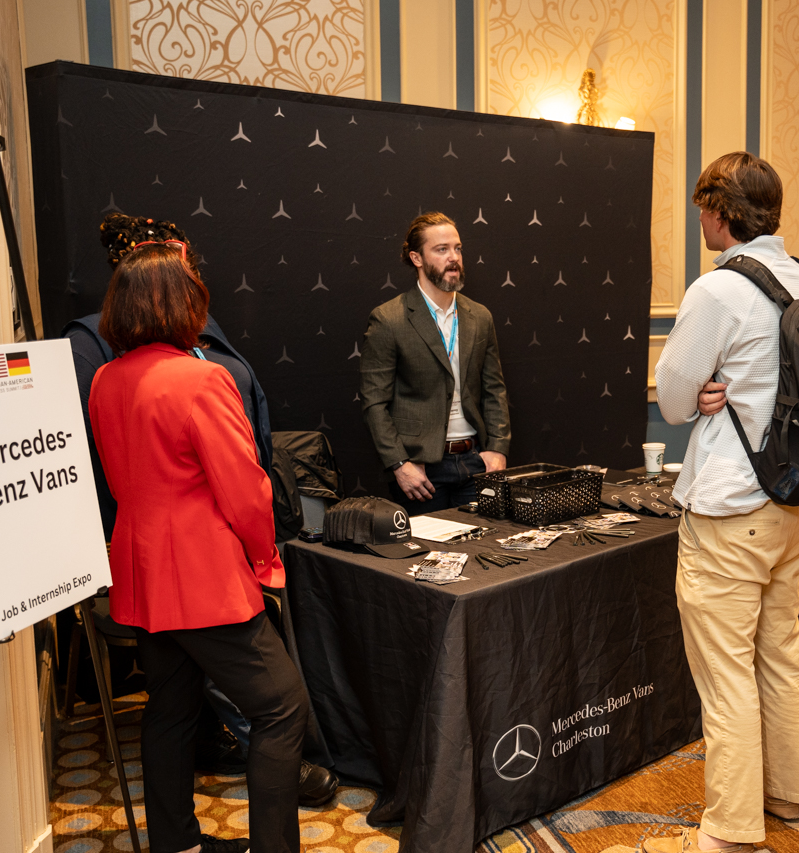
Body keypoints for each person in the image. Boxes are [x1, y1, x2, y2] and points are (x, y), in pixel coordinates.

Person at [65, 214, 338, 806]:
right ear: (181, 300)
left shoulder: (106, 380)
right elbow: (247, 491)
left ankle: (179, 846)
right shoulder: (201, 379)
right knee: (283, 708)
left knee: (169, 711)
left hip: (141, 576)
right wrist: (265, 560)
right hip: (204, 576)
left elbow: (113, 478)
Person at [652, 151, 799, 853]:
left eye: (701, 210)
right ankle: (788, 792)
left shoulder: (716, 290)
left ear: (720, 211)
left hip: (730, 507)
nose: (699, 223)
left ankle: (730, 830)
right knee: (779, 652)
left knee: (725, 677)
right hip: (794, 502)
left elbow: (673, 395)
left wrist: (709, 389)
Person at [360, 212, 511, 510]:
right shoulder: (389, 319)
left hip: (475, 462)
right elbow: (374, 403)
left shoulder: (479, 316)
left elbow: (495, 389)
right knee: (433, 556)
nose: (453, 257)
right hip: (421, 471)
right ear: (417, 258)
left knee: (482, 550)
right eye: (441, 250)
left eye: (457, 248)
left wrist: (497, 448)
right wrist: (399, 463)